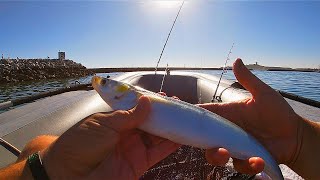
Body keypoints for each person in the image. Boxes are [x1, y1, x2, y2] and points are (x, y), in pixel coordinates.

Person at [0, 58, 319, 179]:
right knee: (38, 145)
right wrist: (299, 141)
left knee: (36, 144)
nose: (102, 86)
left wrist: (47, 170)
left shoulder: (133, 104)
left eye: (109, 84)